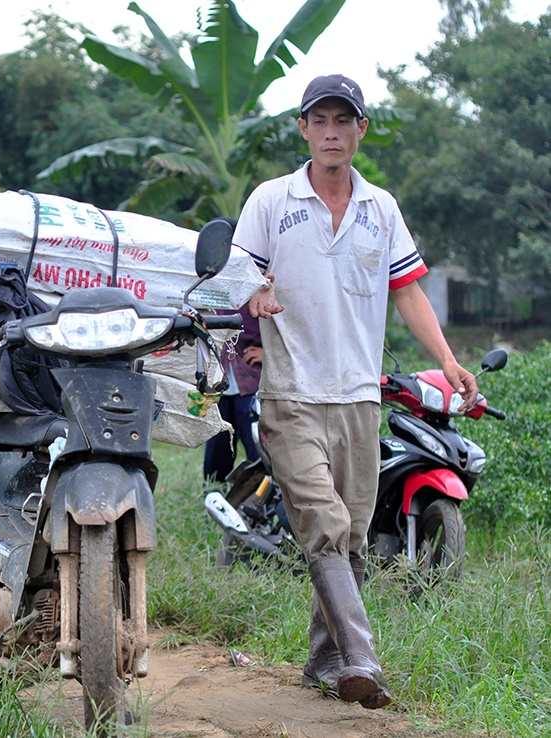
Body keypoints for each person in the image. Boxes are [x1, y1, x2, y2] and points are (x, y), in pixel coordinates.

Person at [234, 74, 478, 710]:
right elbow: (234, 270)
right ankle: (363, 657)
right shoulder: (270, 201)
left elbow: (409, 290)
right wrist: (253, 292)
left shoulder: (381, 208)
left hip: (360, 399)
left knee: (353, 537)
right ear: (304, 129)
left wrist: (448, 360)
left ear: (360, 130)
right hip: (291, 395)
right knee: (324, 521)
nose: (333, 132)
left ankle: (324, 660)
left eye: (345, 120)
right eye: (321, 120)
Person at [202, 308, 263, 485]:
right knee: (216, 452)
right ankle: (215, 499)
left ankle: (262, 503)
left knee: (257, 450)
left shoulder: (259, 287)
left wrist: (266, 353)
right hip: (217, 385)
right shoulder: (209, 287)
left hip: (253, 383)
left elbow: (281, 326)